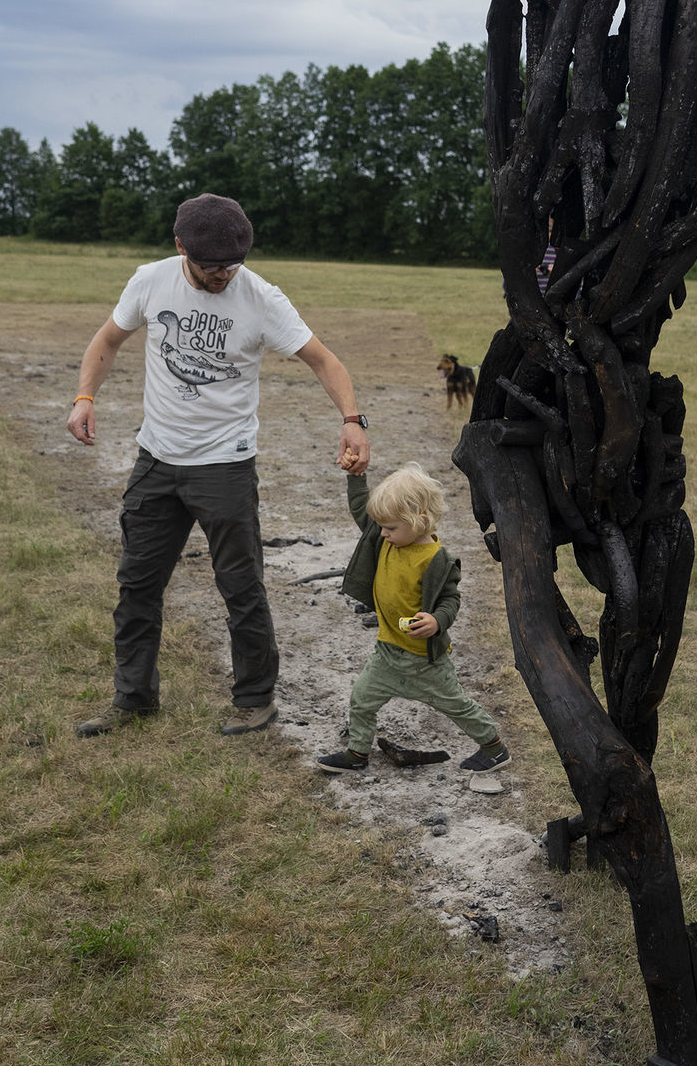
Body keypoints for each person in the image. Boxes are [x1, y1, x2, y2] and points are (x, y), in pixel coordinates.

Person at [67, 193, 371, 738]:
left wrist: (353, 418)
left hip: (225, 466)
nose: (222, 276)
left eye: (231, 265)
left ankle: (255, 699)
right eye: (210, 267)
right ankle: (132, 698)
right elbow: (108, 340)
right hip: (156, 459)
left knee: (241, 586)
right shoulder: (151, 280)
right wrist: (84, 398)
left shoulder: (261, 298)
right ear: (180, 245)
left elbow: (322, 359)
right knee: (137, 585)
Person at [316, 460, 509, 774]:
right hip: (387, 651)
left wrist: (436, 622)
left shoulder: (437, 559)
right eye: (382, 527)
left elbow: (450, 599)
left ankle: (494, 749)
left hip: (424, 661)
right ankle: (357, 754)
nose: (382, 533)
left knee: (456, 705)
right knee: (362, 698)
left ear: (419, 522)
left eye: (390, 528)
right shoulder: (386, 537)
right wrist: (356, 478)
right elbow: (362, 511)